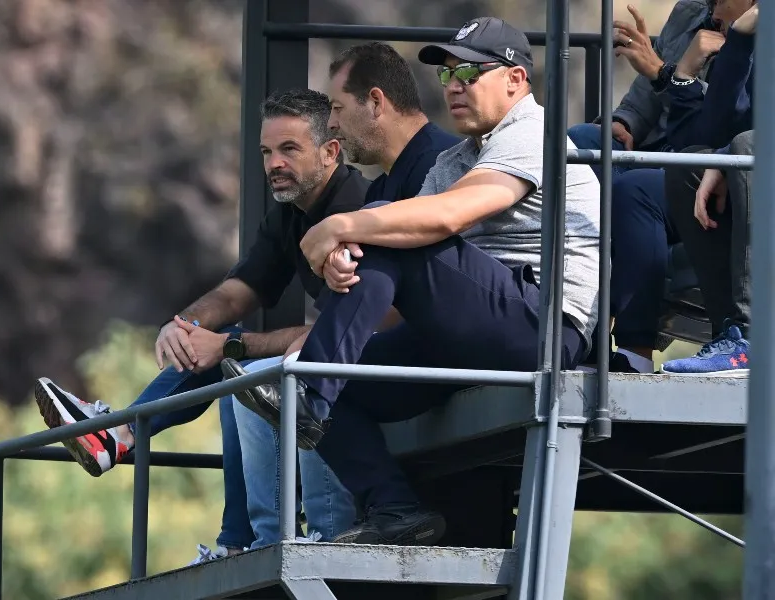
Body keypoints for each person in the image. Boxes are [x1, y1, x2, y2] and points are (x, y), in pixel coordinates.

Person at [223, 17, 601, 545]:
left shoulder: (533, 135)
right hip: (474, 330)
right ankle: (394, 508)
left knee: (387, 236)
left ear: (516, 79)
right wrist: (345, 259)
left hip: (542, 326)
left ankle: (313, 393)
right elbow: (397, 226)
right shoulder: (455, 159)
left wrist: (340, 228)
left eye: (469, 72)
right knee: (319, 377)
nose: (453, 86)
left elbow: (443, 217)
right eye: (447, 74)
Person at [31, 88, 370, 561]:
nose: (274, 163)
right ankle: (236, 540)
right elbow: (238, 290)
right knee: (236, 372)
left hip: (377, 365)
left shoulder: (359, 211)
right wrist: (184, 324)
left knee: (242, 368)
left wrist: (230, 345)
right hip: (329, 360)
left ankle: (122, 436)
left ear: (330, 151)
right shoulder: (289, 215)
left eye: (289, 149)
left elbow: (345, 333)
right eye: (266, 152)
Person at [230, 42, 460, 549]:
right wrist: (345, 263)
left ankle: (328, 531)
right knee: (272, 377)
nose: (332, 123)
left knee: (307, 375)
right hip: (422, 340)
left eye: (336, 108)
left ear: (375, 103)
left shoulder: (441, 163)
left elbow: (420, 280)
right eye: (267, 153)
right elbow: (370, 278)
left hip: (459, 340)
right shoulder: (382, 189)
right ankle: (266, 539)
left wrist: (343, 240)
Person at [571, 0, 756, 374]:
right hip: (677, 149)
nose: (712, 9)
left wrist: (671, 74)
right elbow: (651, 97)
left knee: (636, 191)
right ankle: (576, 334)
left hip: (715, 159)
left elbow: (720, 126)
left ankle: (635, 352)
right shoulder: (691, 11)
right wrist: (627, 120)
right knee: (581, 145)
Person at [661, 3, 757, 375]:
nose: (712, 10)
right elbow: (709, 133)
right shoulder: (743, 36)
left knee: (748, 148)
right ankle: (730, 334)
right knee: (689, 167)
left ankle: (751, 333)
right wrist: (739, 41)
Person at [567, 0, 716, 176]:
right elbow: (640, 101)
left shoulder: (742, 38)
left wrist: (662, 73)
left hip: (691, 162)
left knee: (630, 184)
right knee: (580, 137)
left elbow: (714, 122)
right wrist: (623, 123)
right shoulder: (687, 12)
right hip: (649, 149)